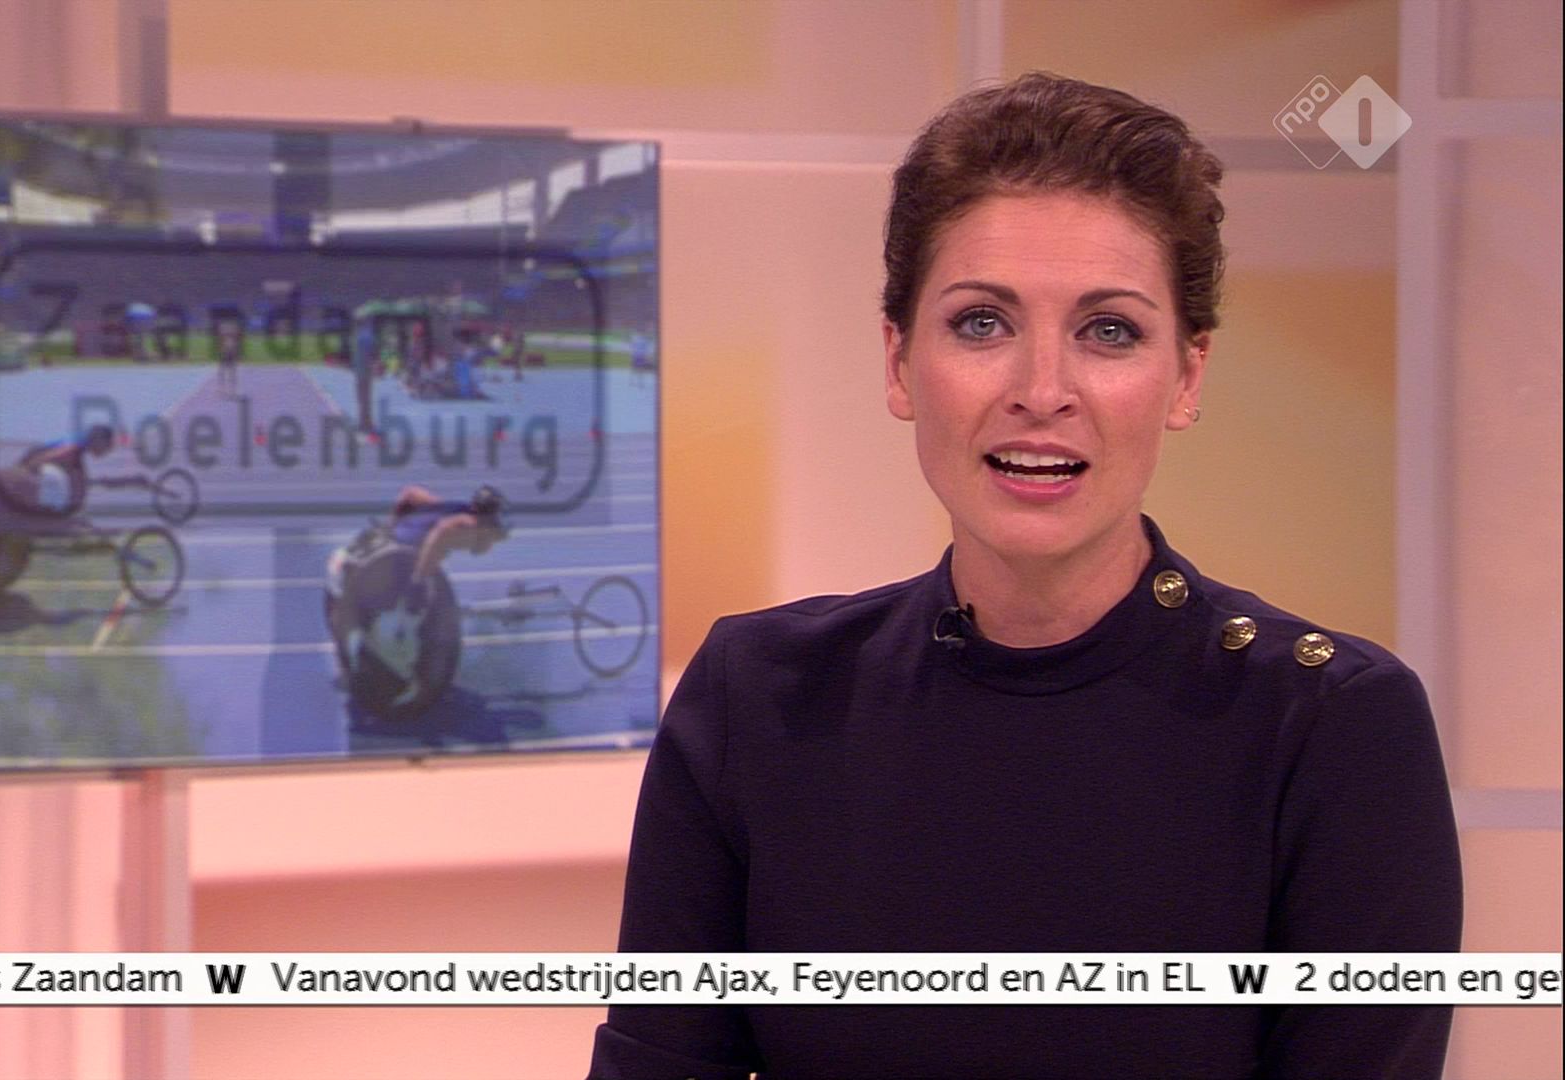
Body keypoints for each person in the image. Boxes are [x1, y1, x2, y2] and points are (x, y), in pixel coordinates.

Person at [590, 73, 1462, 1079]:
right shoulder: (758, 695)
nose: (1042, 392)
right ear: (898, 362)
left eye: (1109, 331)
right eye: (981, 323)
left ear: (1186, 376)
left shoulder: (1332, 724)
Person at [323, 485, 510, 705]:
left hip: (379, 545)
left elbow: (409, 494)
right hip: (391, 566)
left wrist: (392, 525)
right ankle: (368, 667)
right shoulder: (469, 524)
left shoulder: (449, 509)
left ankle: (356, 660)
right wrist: (419, 580)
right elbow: (442, 532)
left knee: (344, 612)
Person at [0, 425, 118, 560]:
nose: (108, 450)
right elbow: (41, 461)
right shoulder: (72, 448)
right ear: (98, 440)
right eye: (108, 445)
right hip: (27, 487)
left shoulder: (75, 448)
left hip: (25, 484)